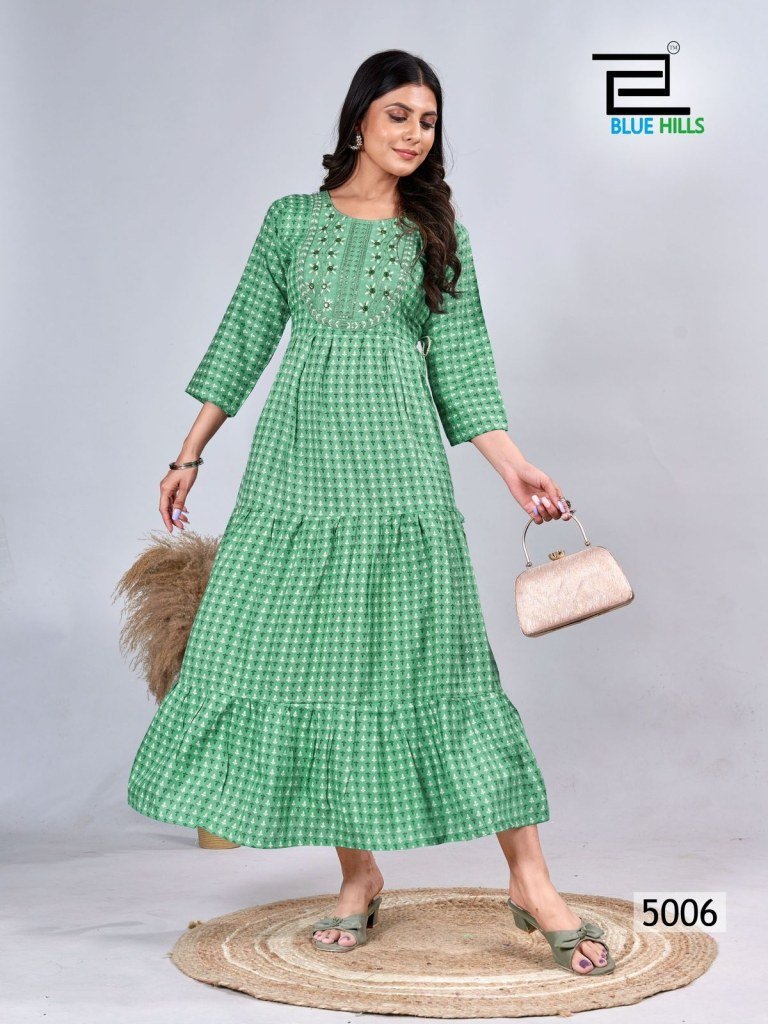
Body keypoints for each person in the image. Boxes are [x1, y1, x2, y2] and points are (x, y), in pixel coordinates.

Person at [127, 50, 613, 976]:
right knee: (324, 673)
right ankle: (359, 878)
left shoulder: (437, 234)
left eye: (428, 121)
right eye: (398, 115)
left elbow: (463, 367)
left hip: (398, 478)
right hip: (297, 478)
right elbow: (242, 337)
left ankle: (531, 880)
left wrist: (514, 468)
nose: (414, 134)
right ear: (359, 119)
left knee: (447, 666)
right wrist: (190, 451)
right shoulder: (290, 221)